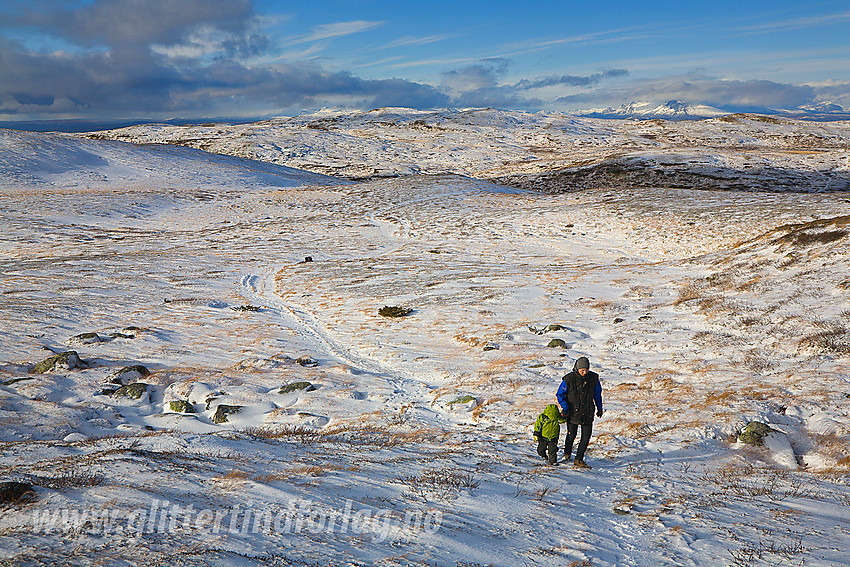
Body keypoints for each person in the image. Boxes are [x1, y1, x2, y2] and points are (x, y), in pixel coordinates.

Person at [556, 356, 603, 469]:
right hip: (572, 412)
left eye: (586, 370)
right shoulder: (568, 379)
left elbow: (597, 394)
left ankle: (579, 459)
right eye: (582, 370)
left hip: (587, 412)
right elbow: (560, 394)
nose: (585, 372)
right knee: (571, 434)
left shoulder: (593, 379)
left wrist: (599, 407)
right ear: (577, 369)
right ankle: (567, 453)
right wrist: (565, 407)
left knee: (586, 437)